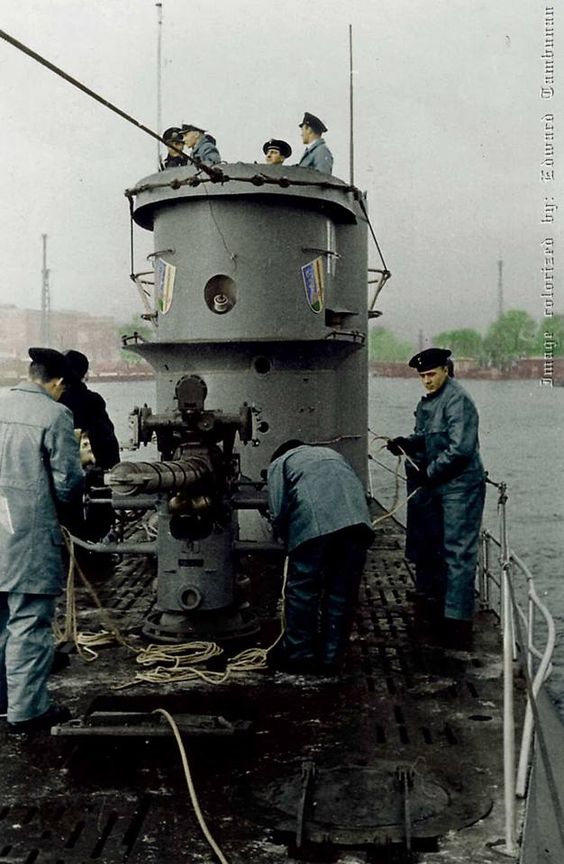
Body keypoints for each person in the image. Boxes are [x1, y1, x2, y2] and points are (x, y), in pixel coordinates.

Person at [0, 347, 84, 733]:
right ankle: (27, 711)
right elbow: (68, 482)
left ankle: (4, 700)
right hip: (27, 535)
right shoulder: (54, 414)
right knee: (29, 621)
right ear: (58, 382)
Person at [387, 348, 486, 650]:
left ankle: (457, 624)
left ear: (445, 370)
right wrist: (407, 443)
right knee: (433, 546)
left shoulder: (458, 400)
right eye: (422, 376)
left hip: (460, 486)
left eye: (431, 374)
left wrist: (428, 473)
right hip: (439, 485)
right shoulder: (429, 401)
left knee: (458, 552)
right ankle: (436, 605)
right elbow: (428, 437)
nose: (427, 381)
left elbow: (460, 449)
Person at [266, 441, 374, 675]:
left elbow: (277, 508)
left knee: (303, 589)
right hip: (357, 522)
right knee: (342, 592)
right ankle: (331, 657)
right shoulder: (333, 454)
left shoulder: (280, 463)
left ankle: (299, 655)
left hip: (315, 524)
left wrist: (284, 536)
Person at [59, 350, 120, 540]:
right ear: (83, 372)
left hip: (64, 472)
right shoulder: (92, 400)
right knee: (97, 520)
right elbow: (107, 438)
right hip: (94, 470)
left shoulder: (54, 402)